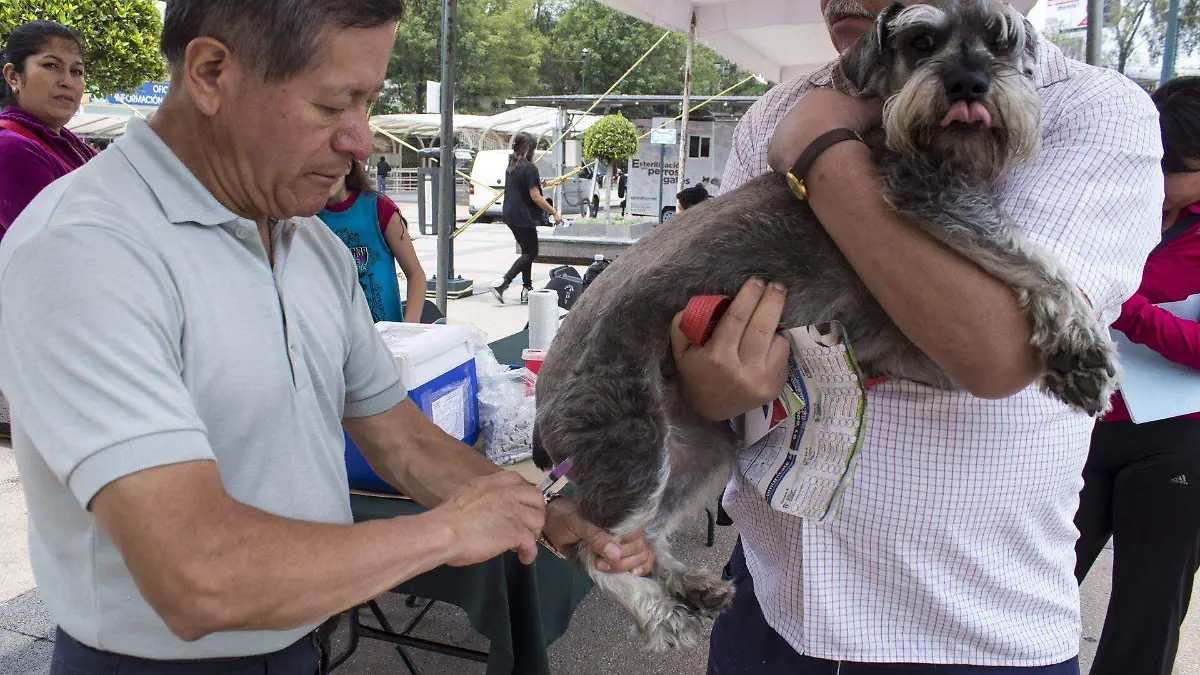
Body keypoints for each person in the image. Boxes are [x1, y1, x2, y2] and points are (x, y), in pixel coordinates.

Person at [0, 2, 653, 672]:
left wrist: (536, 514)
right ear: (210, 72)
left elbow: (397, 436)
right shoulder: (84, 251)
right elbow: (196, 572)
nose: (361, 140)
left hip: (304, 643)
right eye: (335, 104)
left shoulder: (305, 240)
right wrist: (448, 529)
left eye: (368, 103)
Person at [676, 0, 1164, 673]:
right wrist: (709, 382)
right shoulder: (778, 108)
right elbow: (714, 308)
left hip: (968, 629)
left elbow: (999, 352)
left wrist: (823, 150)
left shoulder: (1088, 106)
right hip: (771, 602)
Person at [1073, 76, 1200, 675]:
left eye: (1174, 166)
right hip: (1087, 420)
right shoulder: (1121, 201)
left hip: (1178, 437)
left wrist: (1125, 306)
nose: (1160, 177)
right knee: (1036, 573)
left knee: (1146, 608)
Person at [0, 20, 95, 235]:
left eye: (77, 71)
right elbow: (61, 244)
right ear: (13, 76)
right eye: (51, 65)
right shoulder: (10, 149)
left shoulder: (71, 144)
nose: (67, 81)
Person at [321, 158, 427, 324]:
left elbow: (416, 275)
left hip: (386, 339)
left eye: (330, 164)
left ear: (348, 165)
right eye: (316, 167)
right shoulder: (303, 220)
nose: (324, 174)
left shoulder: (380, 207)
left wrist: (408, 330)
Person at [491, 131, 562, 304]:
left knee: (526, 252)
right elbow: (535, 196)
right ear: (530, 148)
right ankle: (503, 282)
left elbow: (524, 186)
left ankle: (527, 288)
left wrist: (539, 182)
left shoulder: (512, 166)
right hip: (523, 215)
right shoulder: (530, 167)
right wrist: (554, 213)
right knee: (531, 252)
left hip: (509, 213)